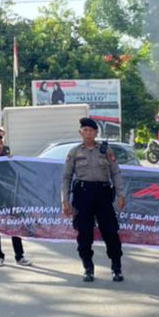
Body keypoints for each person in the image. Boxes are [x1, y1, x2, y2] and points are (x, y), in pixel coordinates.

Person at [61, 117, 126, 283]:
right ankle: (88, 268)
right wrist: (65, 201)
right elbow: (66, 178)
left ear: (96, 133)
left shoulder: (106, 151)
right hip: (83, 196)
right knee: (84, 233)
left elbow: (116, 173)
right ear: (80, 132)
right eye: (85, 130)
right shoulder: (74, 153)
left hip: (103, 194)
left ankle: (116, 268)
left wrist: (120, 194)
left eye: (91, 130)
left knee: (110, 231)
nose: (88, 133)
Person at [0, 132, 32, 268]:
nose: (0, 147)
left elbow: (16, 176)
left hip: (10, 198)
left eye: (1, 144)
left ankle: (19, 256)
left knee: (15, 227)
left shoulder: (7, 160)